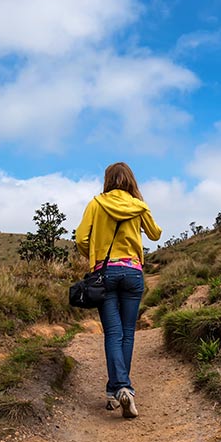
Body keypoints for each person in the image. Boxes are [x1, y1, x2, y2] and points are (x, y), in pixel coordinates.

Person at [75, 162, 162, 418]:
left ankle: (119, 388)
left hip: (105, 274)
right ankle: (120, 389)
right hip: (133, 273)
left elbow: (81, 238)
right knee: (127, 333)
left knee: (113, 333)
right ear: (130, 180)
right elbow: (155, 234)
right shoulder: (139, 205)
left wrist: (94, 256)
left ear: (108, 180)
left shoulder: (96, 203)